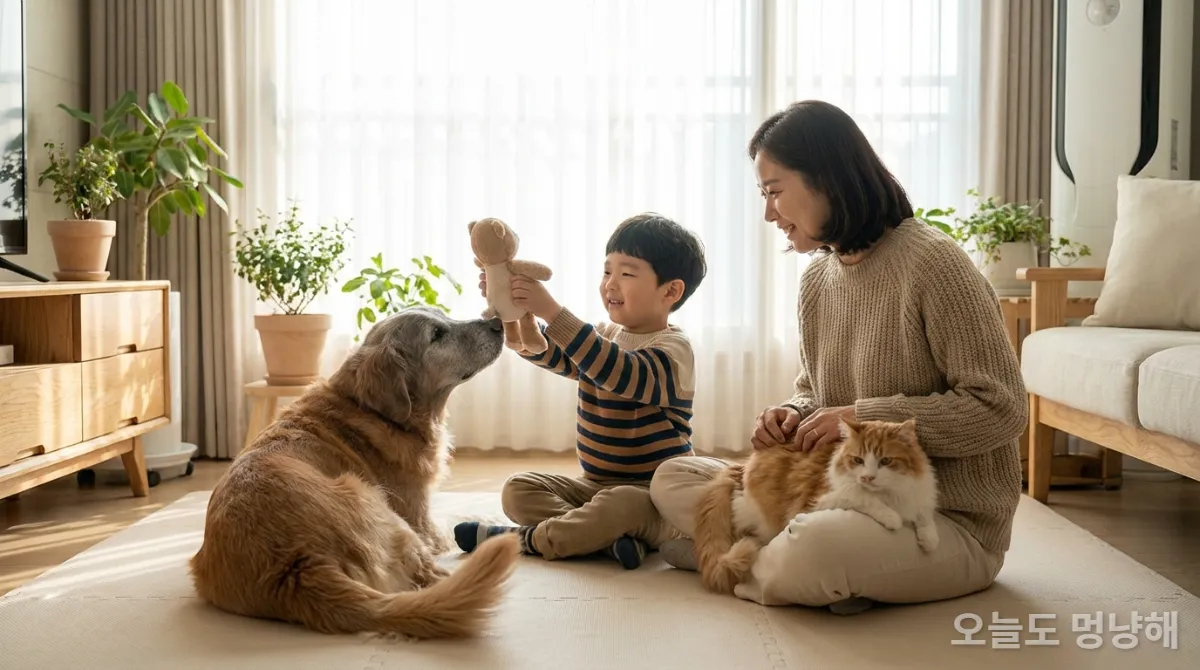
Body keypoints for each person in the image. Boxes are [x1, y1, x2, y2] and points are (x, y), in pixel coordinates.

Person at [648, 100, 1027, 613]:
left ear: (826, 179)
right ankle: (791, 564)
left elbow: (1001, 409)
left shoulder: (935, 264)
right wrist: (794, 414)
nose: (768, 213)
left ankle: (738, 556)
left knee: (818, 548)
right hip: (838, 494)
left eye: (774, 192)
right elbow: (815, 392)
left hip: (942, 522)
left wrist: (860, 415)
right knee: (673, 478)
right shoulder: (817, 282)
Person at [454, 213, 708, 569]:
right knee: (518, 489)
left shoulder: (673, 350)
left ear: (671, 291)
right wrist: (522, 311)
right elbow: (560, 356)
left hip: (653, 497)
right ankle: (607, 540)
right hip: (594, 486)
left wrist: (553, 311)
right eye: (607, 272)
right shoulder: (606, 336)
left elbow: (620, 372)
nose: (610, 284)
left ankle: (521, 539)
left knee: (620, 505)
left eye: (627, 274)